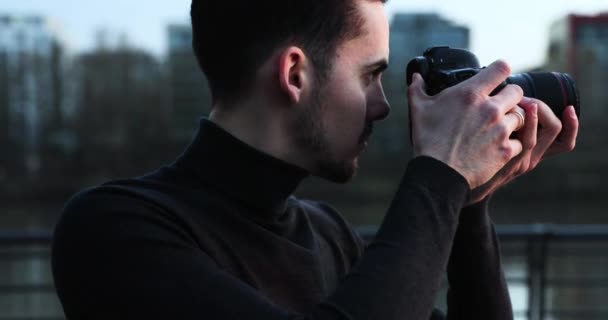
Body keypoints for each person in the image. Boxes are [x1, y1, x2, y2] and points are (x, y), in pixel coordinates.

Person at [51, 0, 579, 319]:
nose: (384, 105)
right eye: (370, 75)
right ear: (295, 75)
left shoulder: (329, 234)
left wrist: (468, 198)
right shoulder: (113, 230)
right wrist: (442, 172)